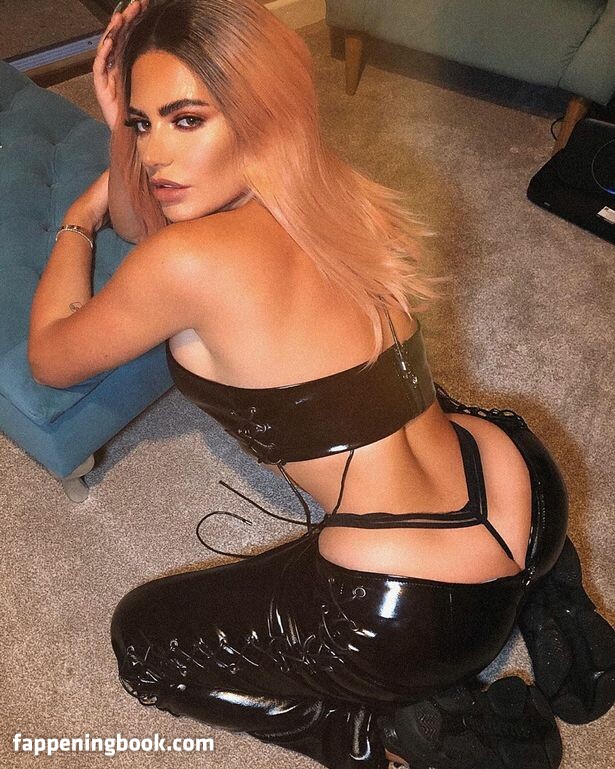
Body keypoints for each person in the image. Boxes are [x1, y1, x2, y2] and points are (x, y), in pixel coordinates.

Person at [27, 1, 614, 768]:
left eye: (186, 119)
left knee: (141, 637)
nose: (156, 156)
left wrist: (78, 219)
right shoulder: (330, 185)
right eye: (143, 125)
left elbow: (52, 356)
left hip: (420, 612)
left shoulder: (183, 264)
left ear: (255, 113)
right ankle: (550, 598)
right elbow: (153, 220)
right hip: (522, 486)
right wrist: (123, 128)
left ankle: (401, 732)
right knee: (411, 401)